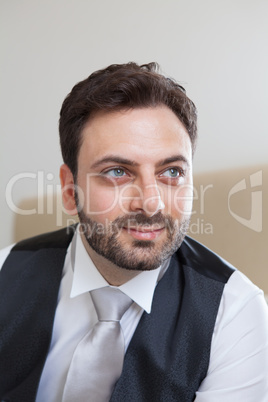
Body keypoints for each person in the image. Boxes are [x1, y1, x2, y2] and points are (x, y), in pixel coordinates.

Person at [0, 62, 267, 402]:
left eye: (171, 171)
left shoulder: (235, 312)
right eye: (117, 171)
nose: (151, 204)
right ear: (69, 190)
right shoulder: (4, 273)